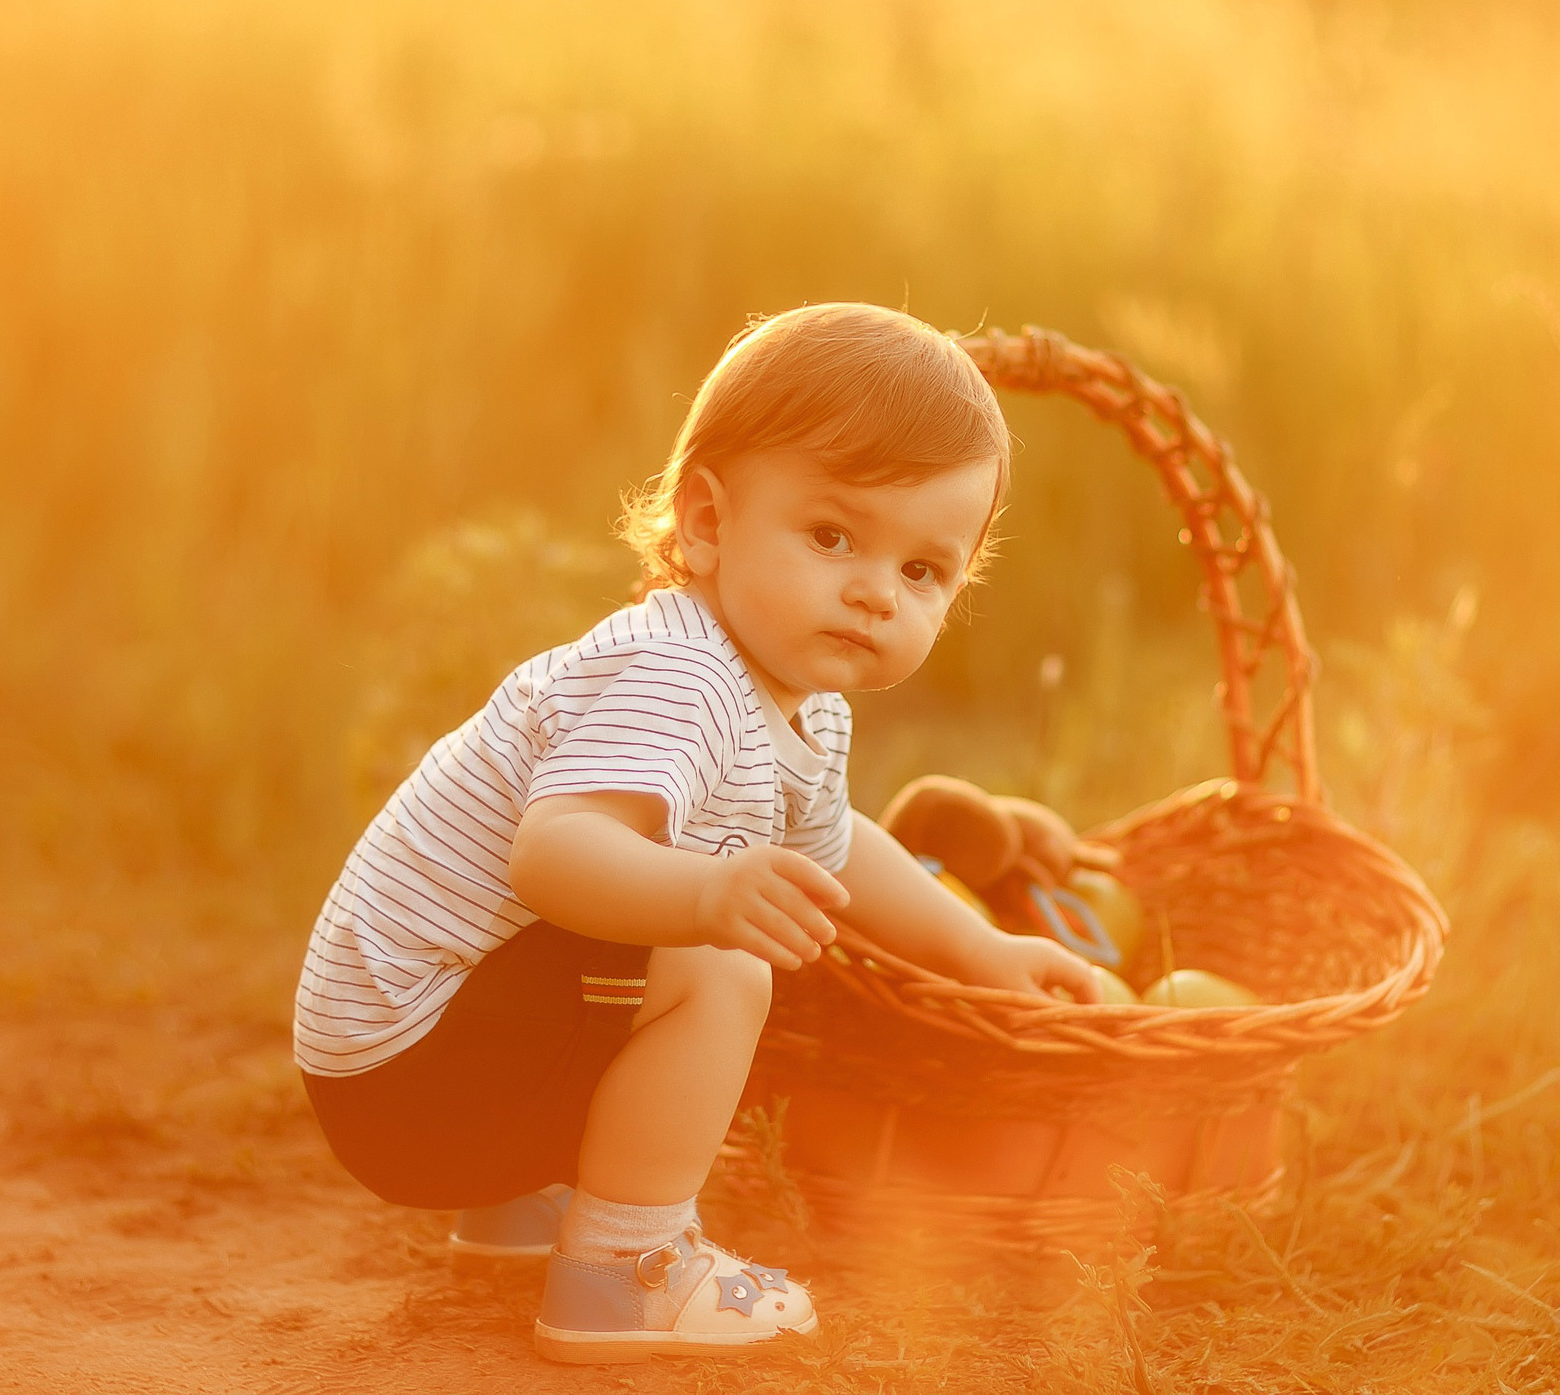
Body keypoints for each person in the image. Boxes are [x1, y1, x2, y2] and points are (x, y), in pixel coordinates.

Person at [292, 303, 1100, 1363]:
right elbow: (556, 851)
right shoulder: (681, 674)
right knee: (717, 960)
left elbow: (837, 848)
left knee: (694, 928)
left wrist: (982, 949)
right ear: (709, 522)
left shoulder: (801, 703)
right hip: (409, 1068)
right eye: (833, 536)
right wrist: (709, 898)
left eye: (922, 571)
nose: (874, 592)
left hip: (417, 1060)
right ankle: (626, 1270)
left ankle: (522, 1203)